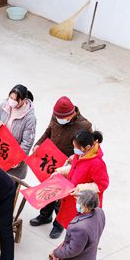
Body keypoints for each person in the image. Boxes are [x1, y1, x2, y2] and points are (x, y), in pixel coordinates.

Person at [28, 96, 92, 237]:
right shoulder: (56, 116)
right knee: (47, 189)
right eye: (56, 116)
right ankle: (45, 216)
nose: (58, 119)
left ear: (72, 114)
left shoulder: (84, 126)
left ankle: (59, 224)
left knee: (61, 197)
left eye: (62, 117)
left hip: (67, 166)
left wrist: (75, 158)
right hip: (50, 160)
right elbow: (48, 131)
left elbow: (88, 148)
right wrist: (39, 143)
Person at [51, 129, 109, 237]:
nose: (74, 150)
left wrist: (80, 188)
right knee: (71, 227)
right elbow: (75, 168)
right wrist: (60, 171)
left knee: (78, 231)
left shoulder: (97, 164)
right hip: (72, 199)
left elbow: (102, 184)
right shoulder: (80, 155)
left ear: (86, 147)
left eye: (76, 147)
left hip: (84, 203)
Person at [0, 84, 37, 180]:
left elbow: (27, 142)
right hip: (0, 149)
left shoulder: (29, 118)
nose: (12, 101)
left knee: (10, 183)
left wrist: (17, 158)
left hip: (15, 157)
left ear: (23, 100)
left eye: (16, 100)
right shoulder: (4, 105)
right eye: (10, 97)